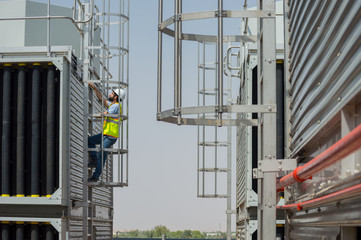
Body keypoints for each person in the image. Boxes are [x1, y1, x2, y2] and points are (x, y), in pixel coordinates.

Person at [87, 82, 125, 182]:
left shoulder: (115, 106)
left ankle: (95, 177)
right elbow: (102, 99)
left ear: (116, 97)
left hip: (110, 136)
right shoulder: (113, 105)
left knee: (101, 155)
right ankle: (94, 160)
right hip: (106, 134)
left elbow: (104, 114)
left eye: (112, 94)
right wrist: (94, 88)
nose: (110, 94)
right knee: (90, 141)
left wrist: (90, 115)